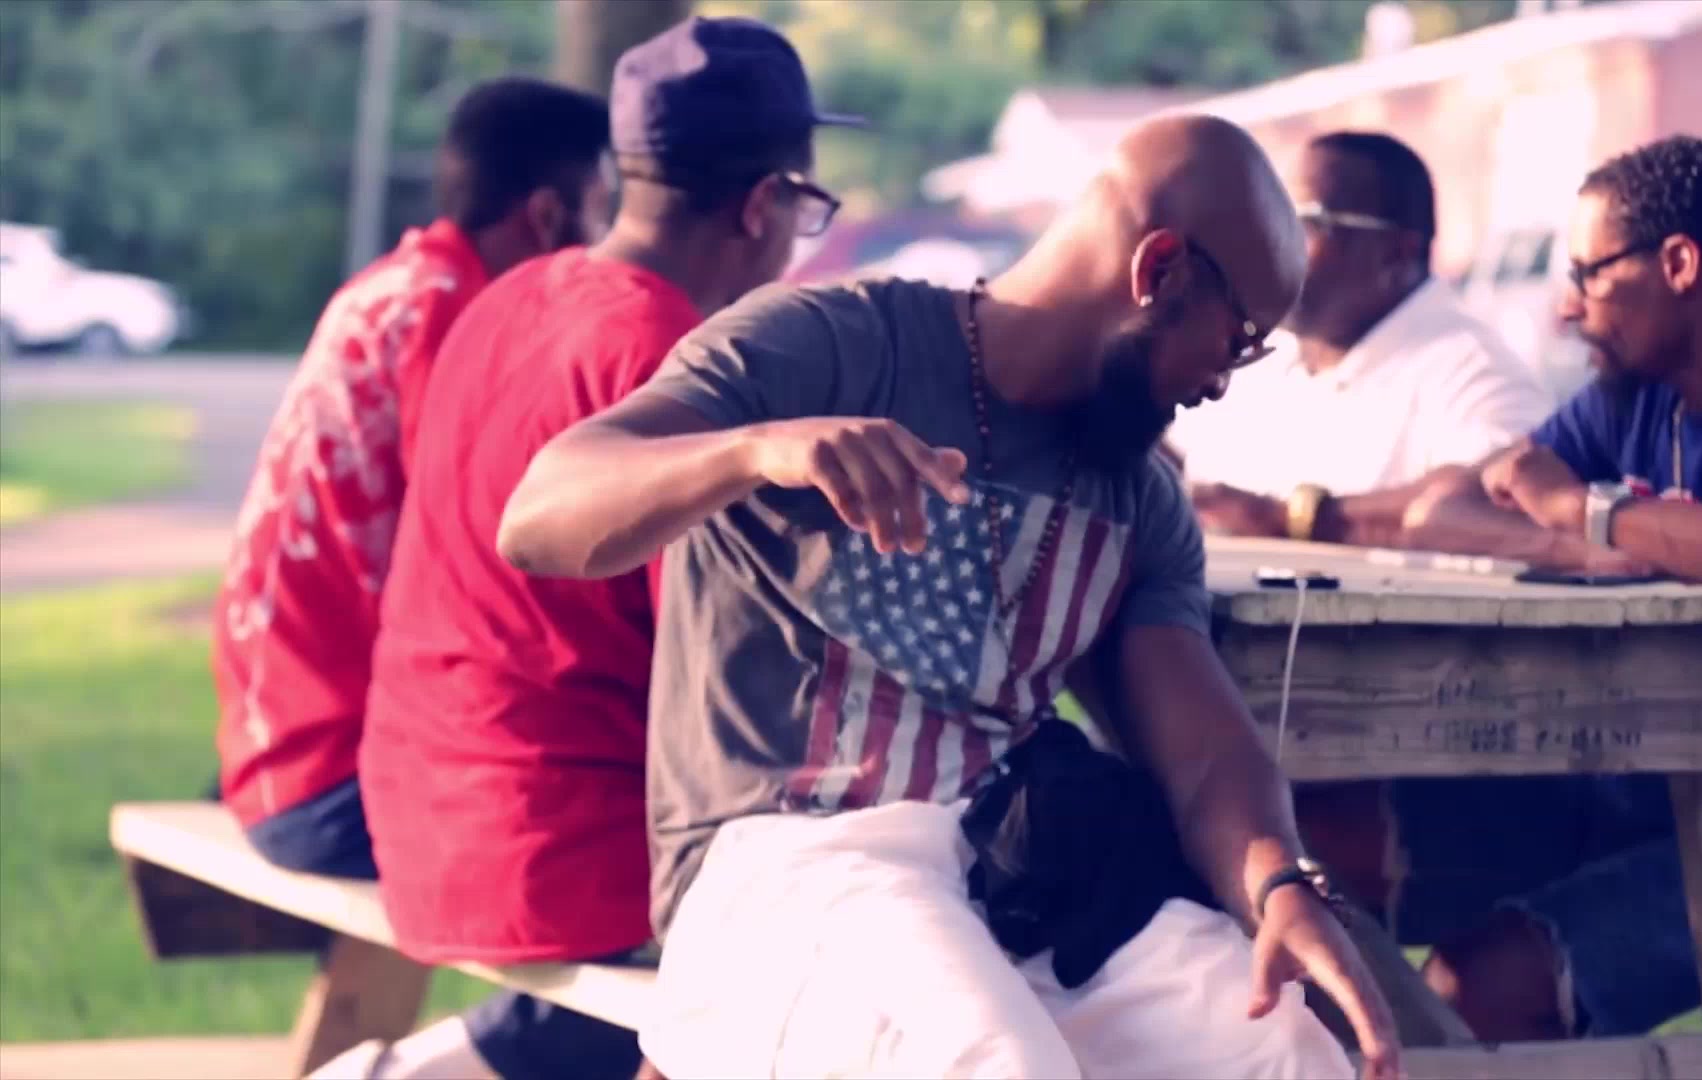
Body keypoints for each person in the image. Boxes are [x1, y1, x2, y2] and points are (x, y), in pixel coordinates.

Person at [497, 114, 1403, 1080]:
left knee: (1282, 1054)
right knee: (997, 1063)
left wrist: (1278, 885)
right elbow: (540, 516)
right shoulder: (828, 347)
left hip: (1012, 875)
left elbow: (1205, 755)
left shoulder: (1139, 499)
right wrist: (752, 451)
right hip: (785, 864)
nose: (1223, 384)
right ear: (1160, 268)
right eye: (1238, 340)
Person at [320, 16, 859, 1080]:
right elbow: (734, 682)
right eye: (806, 206)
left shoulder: (508, 297)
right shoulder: (676, 368)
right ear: (763, 205)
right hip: (556, 857)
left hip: (417, 810)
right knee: (877, 921)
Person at [1289, 135, 1702, 1041]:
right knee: (1309, 848)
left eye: (1588, 274)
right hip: (1618, 795)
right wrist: (1592, 544)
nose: (1566, 304)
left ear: (1679, 263)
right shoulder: (1628, 404)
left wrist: (1591, 512)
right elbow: (1443, 509)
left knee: (1472, 988)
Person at [212, 77, 611, 878]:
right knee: (630, 836)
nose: (607, 244)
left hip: (276, 747)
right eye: (604, 213)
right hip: (332, 780)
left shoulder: (392, 287)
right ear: (546, 216)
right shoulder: (459, 319)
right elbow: (484, 569)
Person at [1170, 131, 1550, 539]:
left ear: (1397, 252)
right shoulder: (1261, 356)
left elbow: (1499, 500)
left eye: (1304, 224)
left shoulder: (1479, 376)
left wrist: (1289, 518)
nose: (1270, 245)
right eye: (1269, 221)